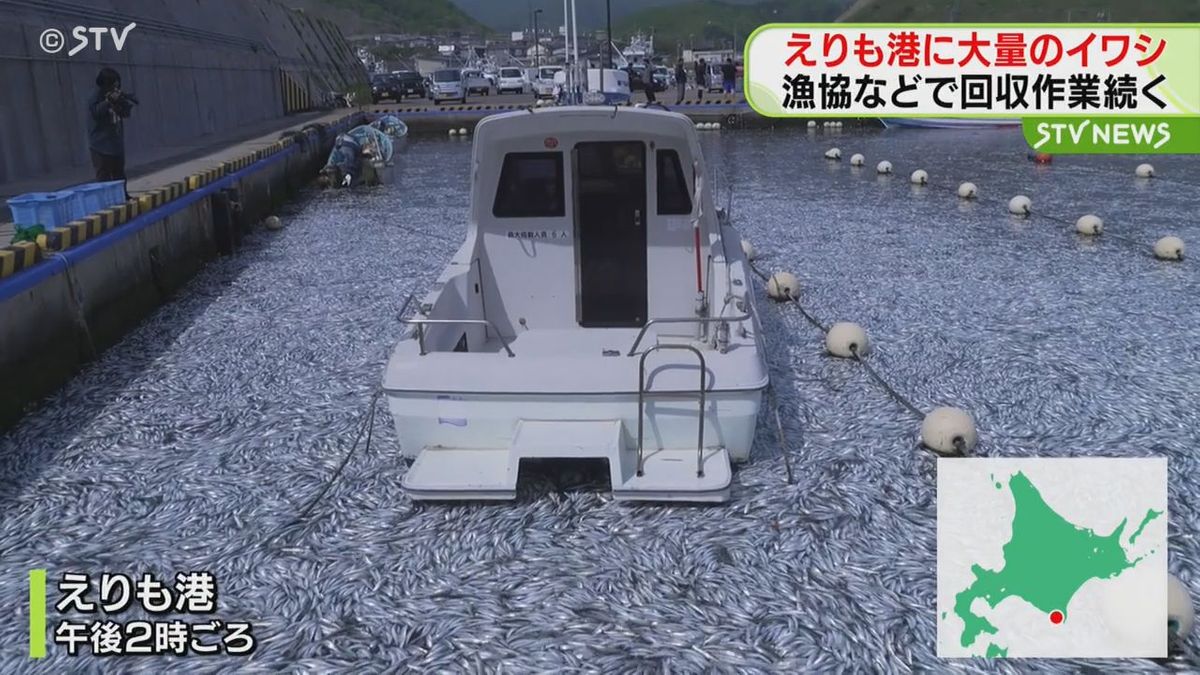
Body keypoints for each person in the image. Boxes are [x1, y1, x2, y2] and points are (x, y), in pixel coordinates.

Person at [88, 68, 134, 194]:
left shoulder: (116, 94)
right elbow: (96, 112)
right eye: (113, 84)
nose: (115, 88)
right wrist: (108, 101)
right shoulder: (96, 96)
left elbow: (125, 113)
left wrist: (122, 102)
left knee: (119, 174)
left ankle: (123, 195)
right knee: (104, 178)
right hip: (100, 145)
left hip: (116, 143)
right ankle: (107, 200)